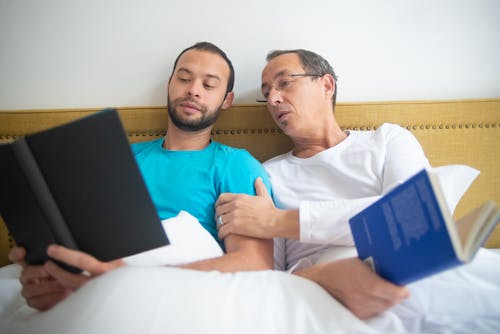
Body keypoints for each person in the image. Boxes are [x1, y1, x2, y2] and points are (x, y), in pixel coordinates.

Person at [8, 41, 274, 311]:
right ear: (170, 84)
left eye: (209, 85)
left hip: (174, 293)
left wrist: (130, 279)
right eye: (184, 78)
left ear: (226, 100)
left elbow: (255, 262)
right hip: (98, 281)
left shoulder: (235, 164)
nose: (193, 90)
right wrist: (51, 274)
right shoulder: (120, 156)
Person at [214, 49, 430, 319]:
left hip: (419, 274)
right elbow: (270, 278)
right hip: (323, 296)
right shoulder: (268, 174)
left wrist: (277, 220)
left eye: (284, 83)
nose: (273, 99)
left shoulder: (388, 141)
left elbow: (413, 219)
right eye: (266, 92)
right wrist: (320, 276)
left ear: (327, 85)